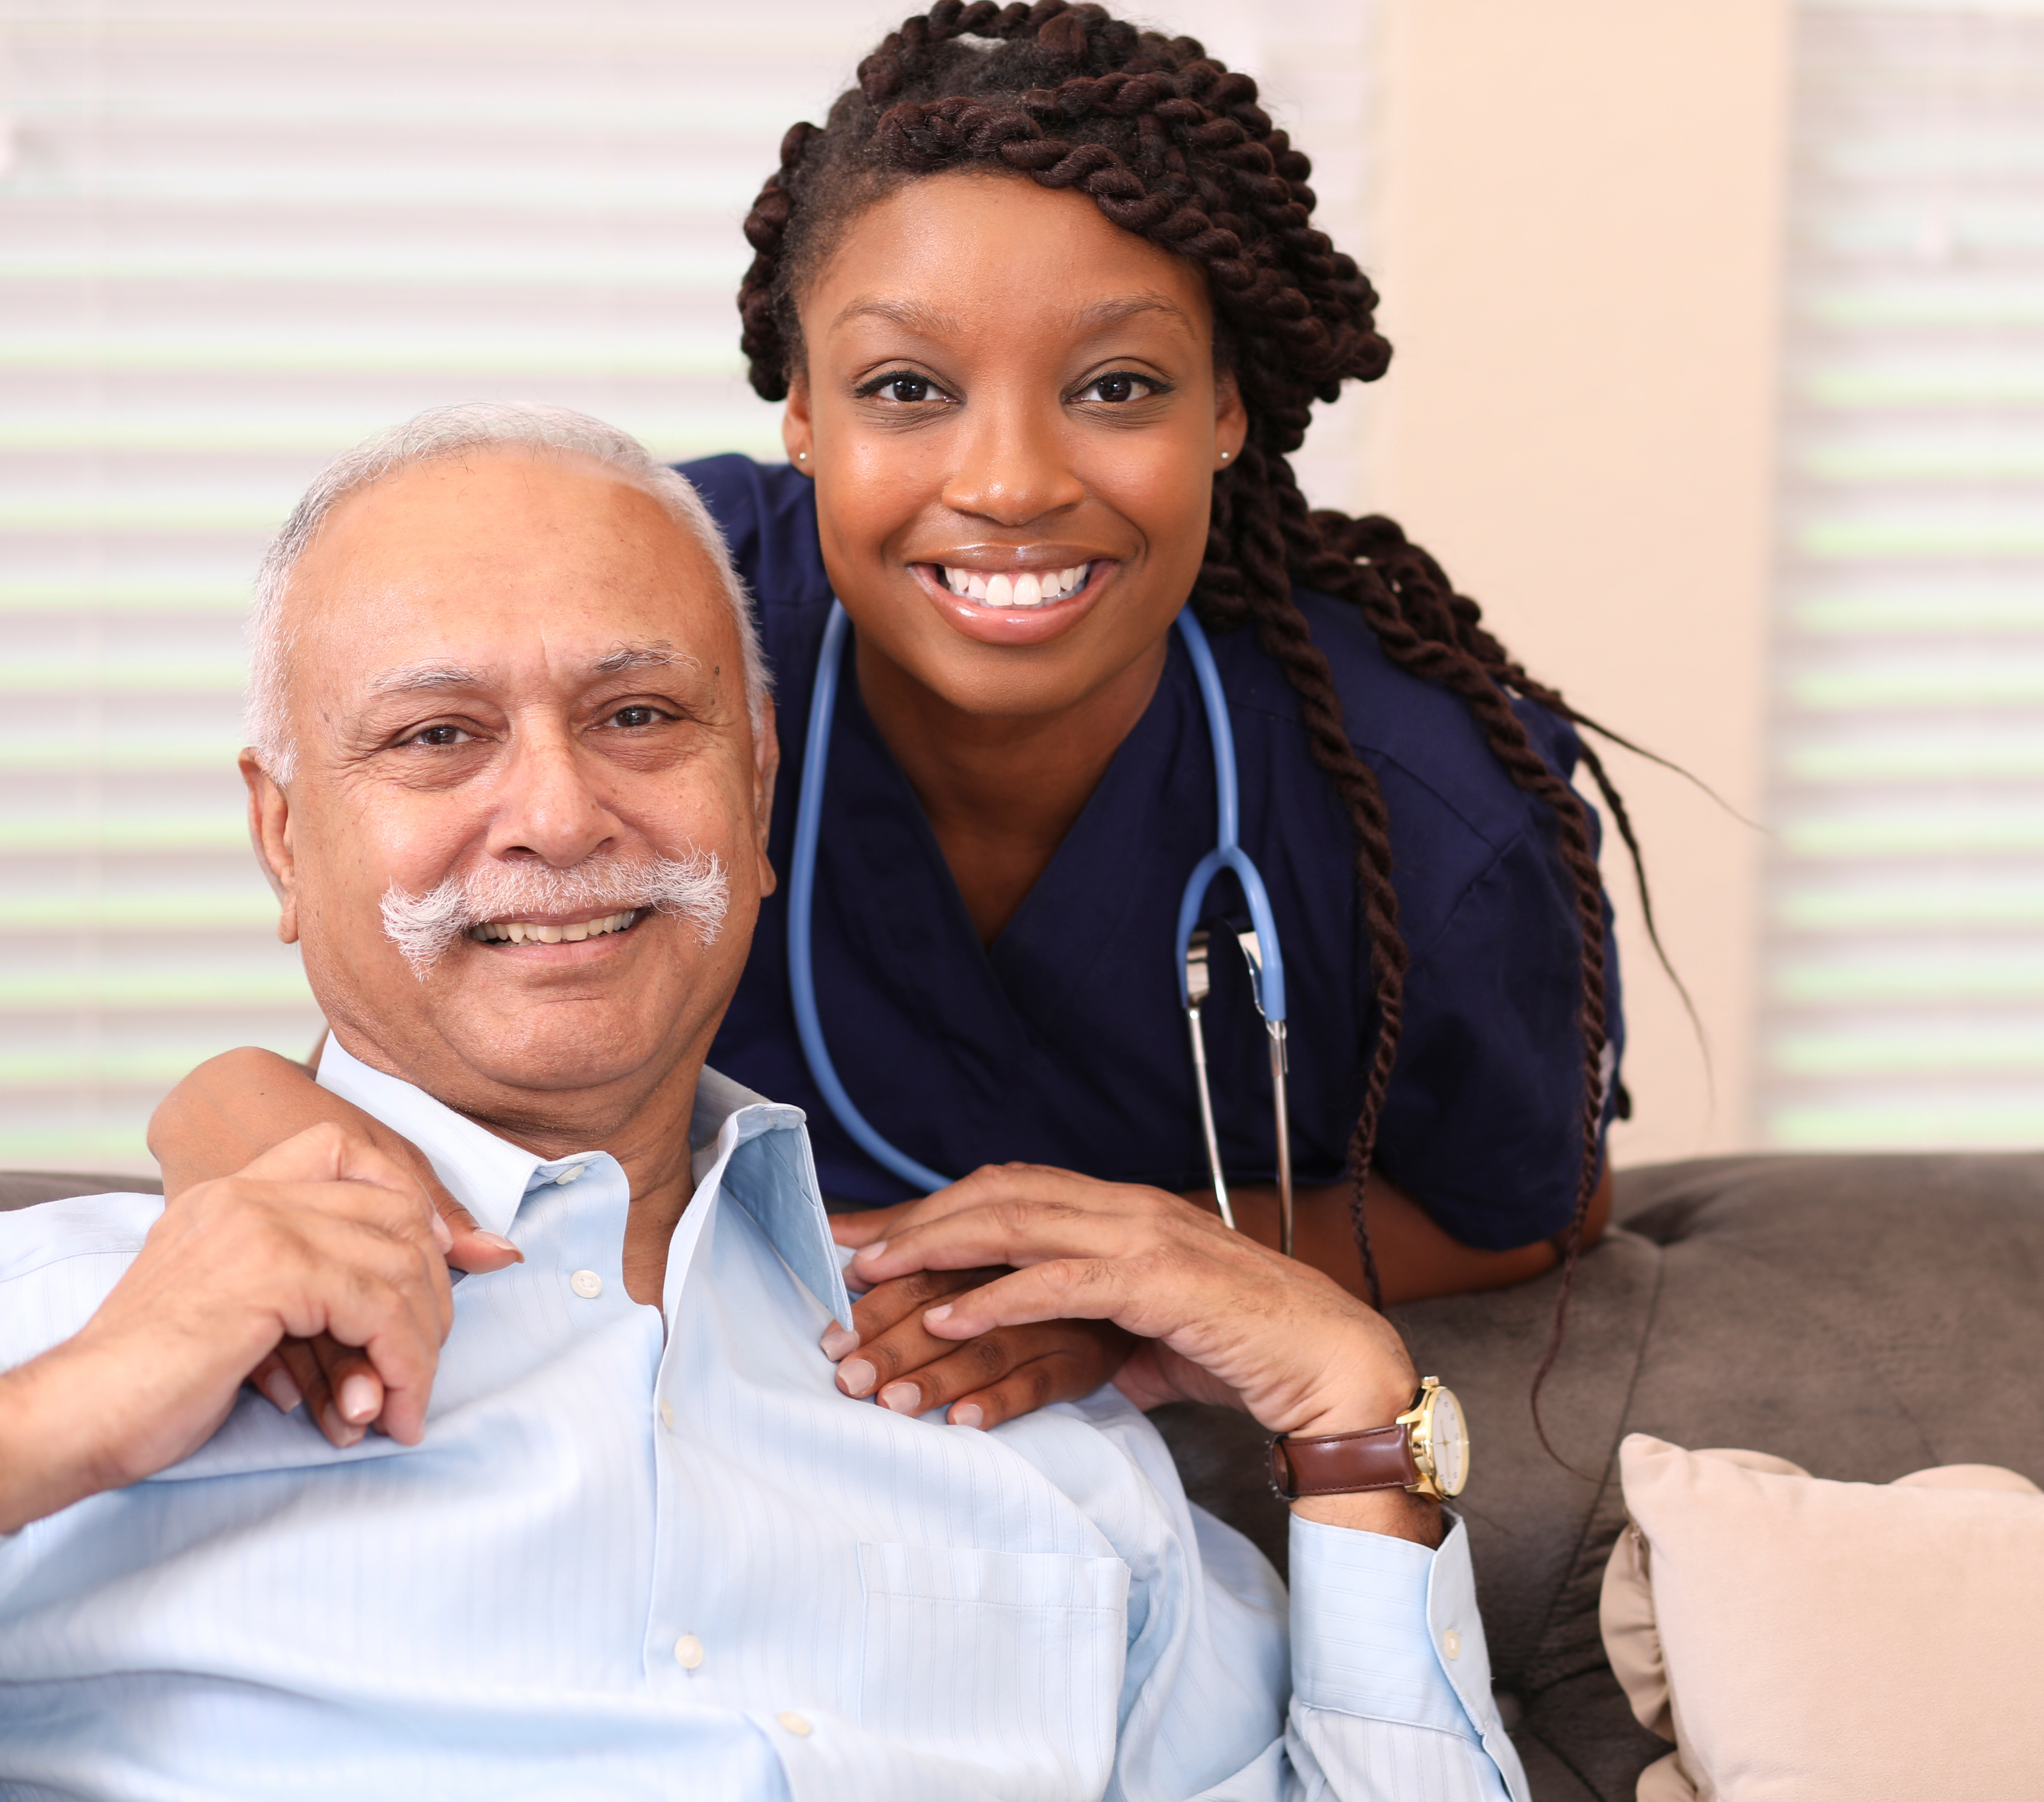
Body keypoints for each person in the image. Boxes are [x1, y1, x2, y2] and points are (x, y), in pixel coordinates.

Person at [148, 1, 1643, 1435]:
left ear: (1228, 408)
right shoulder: (662, 634)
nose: (1008, 482)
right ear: (800, 409)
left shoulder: (1417, 796)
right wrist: (223, 1110)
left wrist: (1146, 1274)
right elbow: (412, 974)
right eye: (907, 386)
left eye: (1116, 385)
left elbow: (1528, 1204)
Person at [0, 403, 1521, 1801]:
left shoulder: (1012, 1414)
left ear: (758, 786)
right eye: (437, 734)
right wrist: (67, 1415)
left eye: (639, 716)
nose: (554, 814)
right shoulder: (61, 1335)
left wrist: (1351, 1418)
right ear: (282, 836)